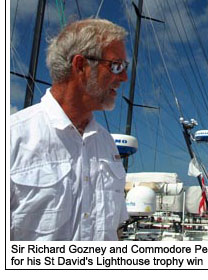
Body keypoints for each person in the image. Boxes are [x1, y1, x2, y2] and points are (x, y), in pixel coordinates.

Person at [10, 18, 130, 241]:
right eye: (116, 65)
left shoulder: (107, 144)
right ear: (80, 66)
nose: (123, 77)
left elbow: (115, 231)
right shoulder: (12, 138)